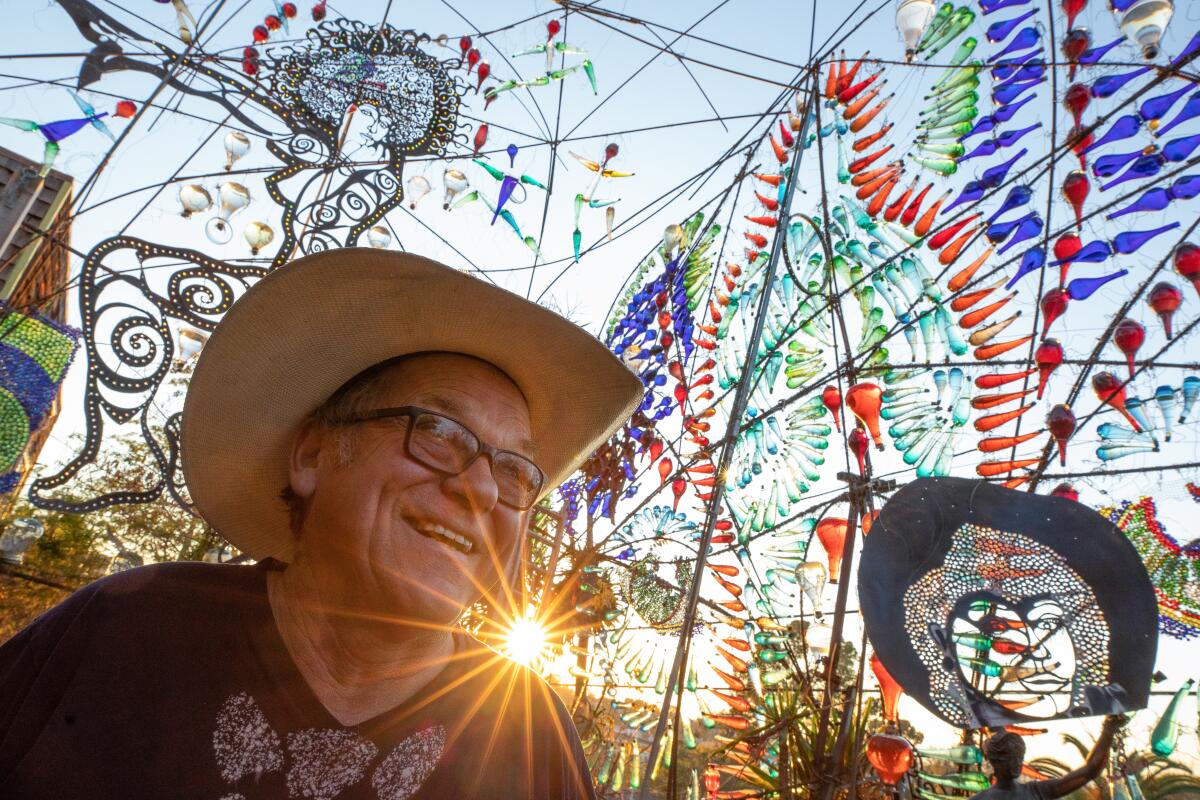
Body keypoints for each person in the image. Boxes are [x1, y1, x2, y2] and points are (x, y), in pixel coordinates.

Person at [0, 250, 644, 799]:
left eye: (514, 469)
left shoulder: (529, 736)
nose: (478, 487)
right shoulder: (131, 628)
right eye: (440, 432)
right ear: (311, 454)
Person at [971, 715, 1127, 800]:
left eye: (1020, 757)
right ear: (995, 761)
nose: (1017, 763)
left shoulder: (1035, 791)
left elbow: (1089, 771)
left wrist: (1108, 730)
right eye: (1011, 758)